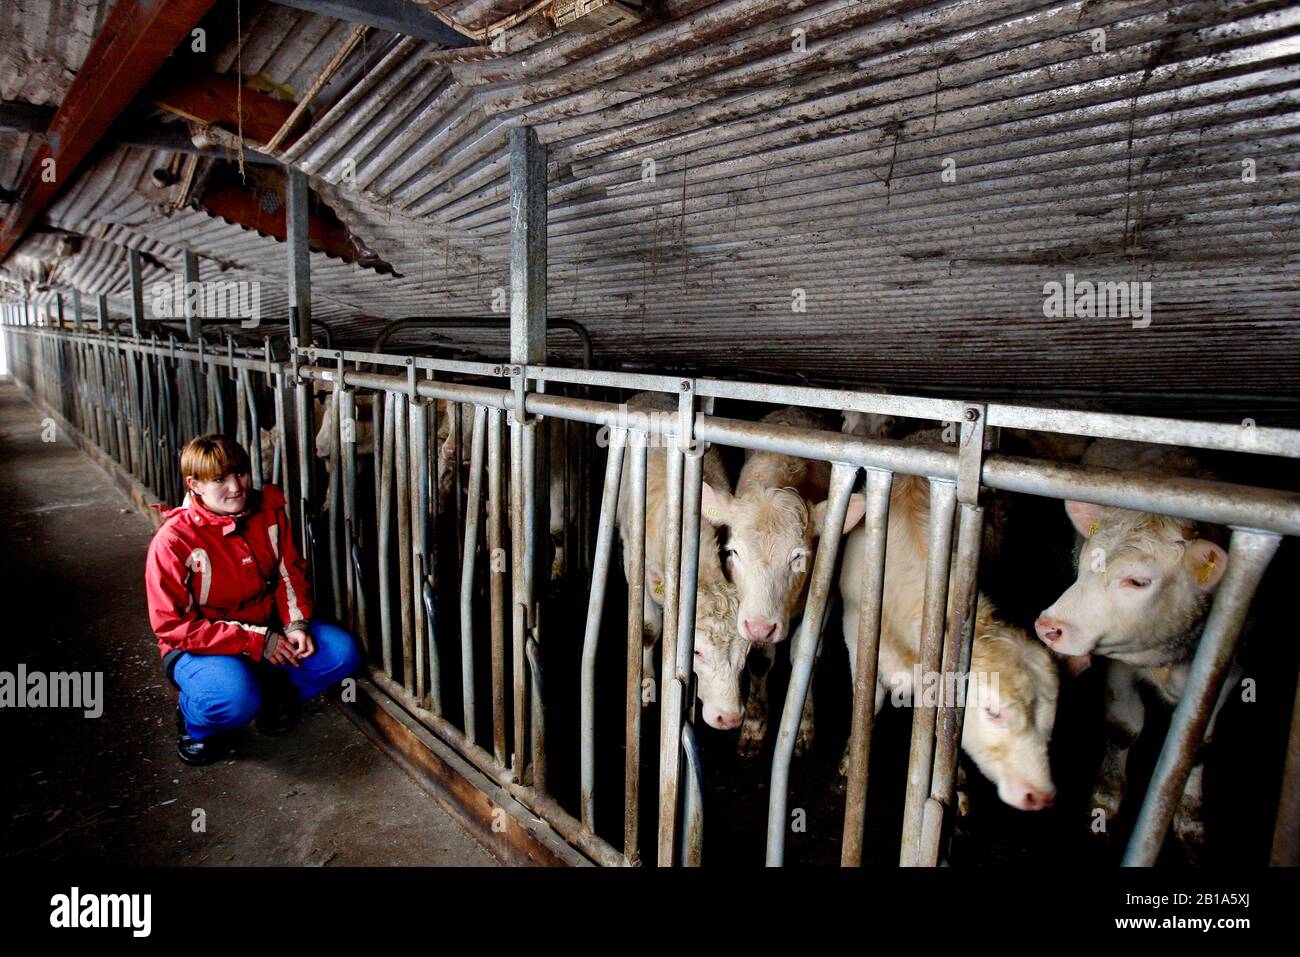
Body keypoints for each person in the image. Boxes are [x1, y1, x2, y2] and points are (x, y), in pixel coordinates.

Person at [144, 434, 361, 765]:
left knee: (342, 653)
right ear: (195, 485)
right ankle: (195, 721)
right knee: (229, 699)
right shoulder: (173, 540)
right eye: (220, 479)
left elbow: (289, 573)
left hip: (268, 627)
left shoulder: (268, 511)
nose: (236, 486)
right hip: (201, 645)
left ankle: (271, 697)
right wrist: (257, 642)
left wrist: (295, 624)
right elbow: (172, 626)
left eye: (241, 473)